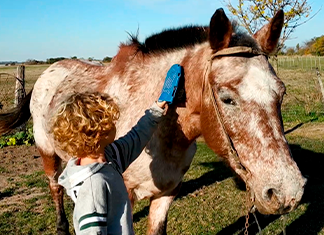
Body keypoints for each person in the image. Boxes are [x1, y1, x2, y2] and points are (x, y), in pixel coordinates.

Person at [52, 64, 181, 235]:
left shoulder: (109, 157)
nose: (115, 125)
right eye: (111, 122)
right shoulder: (93, 185)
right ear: (99, 133)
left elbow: (136, 137)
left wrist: (157, 107)